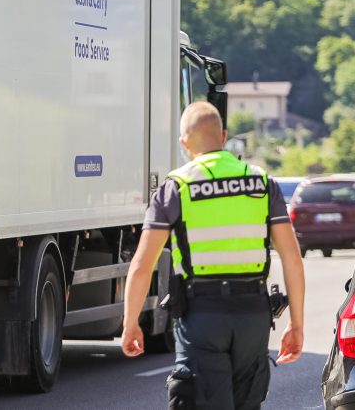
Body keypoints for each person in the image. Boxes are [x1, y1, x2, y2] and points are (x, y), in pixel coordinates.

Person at [120, 102, 305, 409]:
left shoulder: (175, 187)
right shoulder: (261, 182)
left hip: (201, 316)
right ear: (223, 136)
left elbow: (142, 265)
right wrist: (296, 323)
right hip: (253, 314)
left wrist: (130, 323)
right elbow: (292, 259)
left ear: (184, 143)